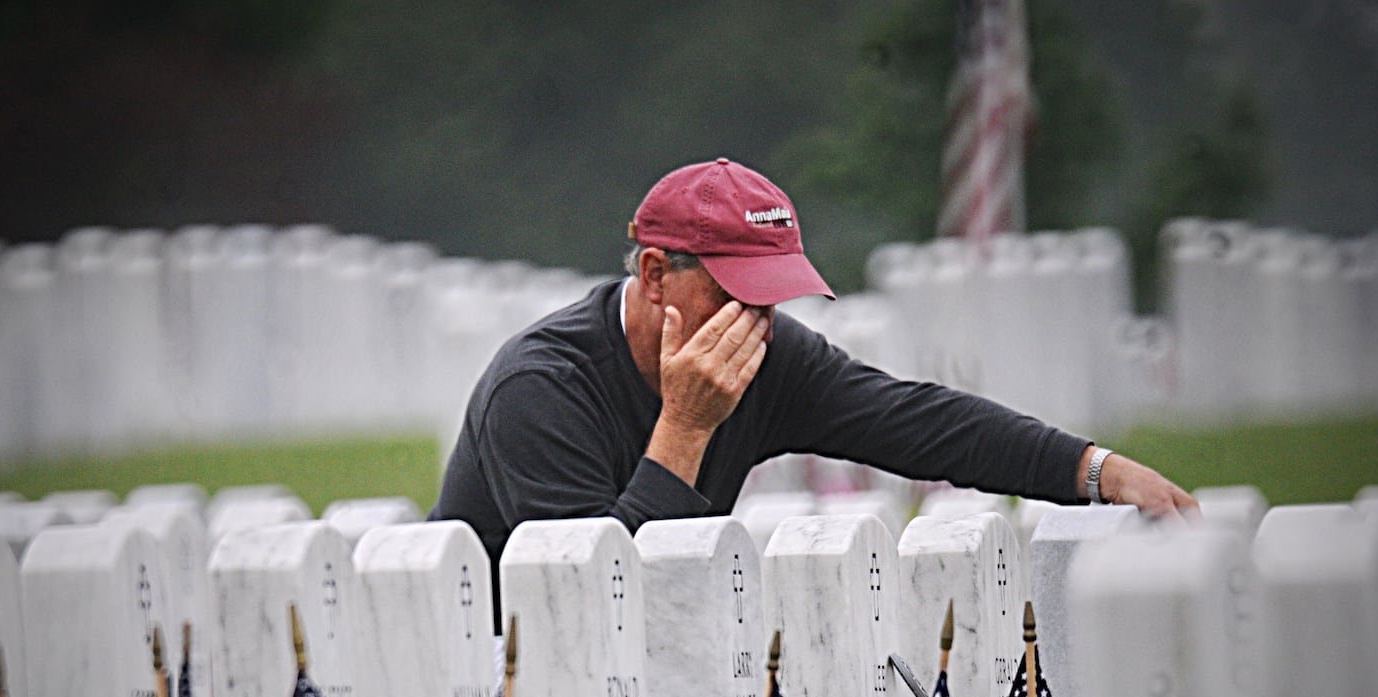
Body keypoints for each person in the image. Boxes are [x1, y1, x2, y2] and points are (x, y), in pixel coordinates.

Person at [429, 157, 1198, 614]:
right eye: (734, 293)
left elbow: (922, 422)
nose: (755, 319)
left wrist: (1096, 470)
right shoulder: (539, 392)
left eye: (769, 296)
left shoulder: (763, 352)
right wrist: (686, 429)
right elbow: (597, 603)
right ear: (656, 275)